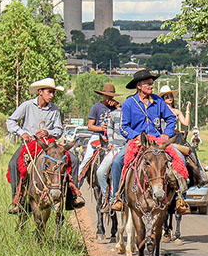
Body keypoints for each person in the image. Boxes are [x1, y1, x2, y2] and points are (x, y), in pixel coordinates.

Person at [108, 70, 191, 214]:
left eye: (152, 82)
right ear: (139, 85)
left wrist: (166, 134)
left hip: (158, 142)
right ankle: (118, 197)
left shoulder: (158, 101)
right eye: (148, 83)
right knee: (117, 163)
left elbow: (171, 118)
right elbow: (124, 127)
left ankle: (180, 199)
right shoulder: (129, 103)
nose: (151, 85)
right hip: (137, 142)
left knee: (181, 159)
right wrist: (137, 137)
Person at [6, 78, 84, 213]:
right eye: (49, 92)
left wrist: (48, 132)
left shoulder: (54, 109)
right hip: (30, 143)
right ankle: (17, 199)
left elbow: (59, 130)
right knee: (13, 164)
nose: (52, 95)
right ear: (40, 92)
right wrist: (22, 132)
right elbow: (10, 121)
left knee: (74, 160)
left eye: (53, 92)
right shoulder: (27, 105)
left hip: (49, 144)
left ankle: (73, 197)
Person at [78, 83, 121, 181]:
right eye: (106, 95)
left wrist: (118, 106)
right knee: (87, 158)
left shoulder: (117, 108)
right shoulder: (96, 107)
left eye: (110, 96)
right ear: (103, 95)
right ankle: (77, 182)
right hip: (98, 136)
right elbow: (90, 126)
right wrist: (102, 128)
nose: (108, 98)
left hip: (114, 138)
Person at [96, 103, 124, 212]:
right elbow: (110, 127)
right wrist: (110, 142)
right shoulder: (114, 114)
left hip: (129, 147)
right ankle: (106, 197)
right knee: (100, 172)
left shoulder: (134, 114)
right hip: (116, 147)